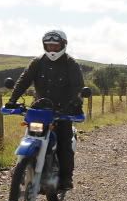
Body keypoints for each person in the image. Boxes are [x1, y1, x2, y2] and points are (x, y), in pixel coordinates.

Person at [7, 29, 85, 190]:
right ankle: (21, 168)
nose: (52, 50)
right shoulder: (37, 62)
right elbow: (24, 81)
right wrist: (12, 101)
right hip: (40, 110)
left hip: (63, 112)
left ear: (63, 45)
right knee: (29, 136)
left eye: (55, 46)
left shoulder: (71, 63)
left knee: (64, 143)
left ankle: (65, 178)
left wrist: (75, 105)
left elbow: (77, 87)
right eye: (48, 46)